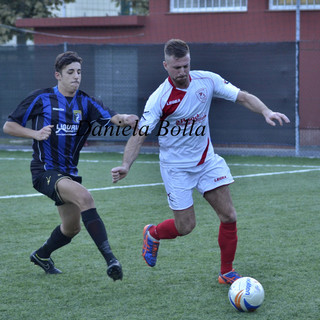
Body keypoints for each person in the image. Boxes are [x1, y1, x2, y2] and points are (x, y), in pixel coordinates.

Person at [111, 39, 290, 284]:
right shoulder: (159, 99)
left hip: (206, 161)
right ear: (166, 65)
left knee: (229, 215)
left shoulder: (207, 80)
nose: (182, 72)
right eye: (177, 68)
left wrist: (266, 111)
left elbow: (243, 97)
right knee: (185, 227)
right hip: (176, 169)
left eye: (186, 66)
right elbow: (139, 134)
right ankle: (152, 233)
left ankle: (226, 272)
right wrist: (126, 165)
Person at [3, 51, 138, 281]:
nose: (76, 77)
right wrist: (35, 133)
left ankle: (42, 255)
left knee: (71, 228)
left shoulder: (86, 102)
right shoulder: (41, 98)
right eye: (70, 72)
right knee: (85, 198)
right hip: (44, 172)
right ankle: (111, 260)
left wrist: (126, 117)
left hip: (69, 175)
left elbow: (112, 117)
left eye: (79, 72)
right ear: (58, 75)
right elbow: (9, 126)